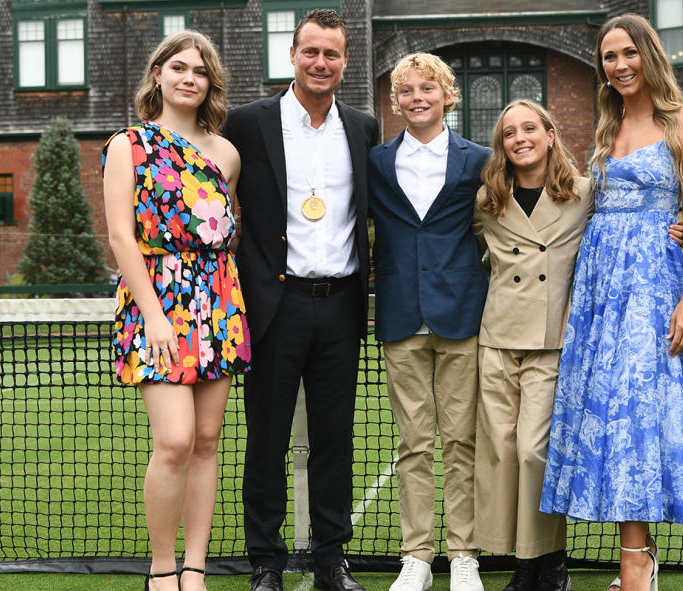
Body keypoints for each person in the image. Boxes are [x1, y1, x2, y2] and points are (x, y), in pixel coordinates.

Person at [539, 14, 683, 591]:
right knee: (611, 414)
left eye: (627, 54)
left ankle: (636, 561)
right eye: (609, 57)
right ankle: (635, 555)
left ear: (649, 54)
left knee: (642, 410)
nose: (618, 65)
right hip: (599, 292)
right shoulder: (605, 126)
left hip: (652, 288)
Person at [222, 9, 379, 591]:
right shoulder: (248, 123)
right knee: (265, 438)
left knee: (336, 436)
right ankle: (266, 562)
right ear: (292, 56)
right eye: (310, 52)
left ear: (344, 61)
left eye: (332, 54)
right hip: (273, 306)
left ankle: (329, 562)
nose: (321, 63)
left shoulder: (363, 128)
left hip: (341, 304)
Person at [103, 31, 250, 591]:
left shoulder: (226, 153)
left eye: (201, 71)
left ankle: (195, 569)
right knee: (174, 441)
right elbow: (121, 236)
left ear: (211, 83)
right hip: (155, 305)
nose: (190, 78)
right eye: (179, 67)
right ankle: (161, 570)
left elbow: (225, 232)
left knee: (208, 440)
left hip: (217, 302)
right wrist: (157, 315)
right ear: (158, 74)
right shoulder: (128, 144)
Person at [368, 53, 490, 591]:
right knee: (413, 444)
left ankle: (464, 553)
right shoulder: (374, 163)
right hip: (399, 316)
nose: (417, 98)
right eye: (407, 91)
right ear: (396, 102)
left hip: (463, 314)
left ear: (447, 96)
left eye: (428, 89)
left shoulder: (480, 159)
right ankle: (416, 556)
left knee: (462, 442)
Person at [472, 100, 593, 591]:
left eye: (529, 129)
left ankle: (552, 560)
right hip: (498, 336)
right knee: (500, 451)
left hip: (550, 340)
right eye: (508, 133)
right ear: (501, 145)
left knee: (533, 450)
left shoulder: (584, 193)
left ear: (549, 134)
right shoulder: (487, 199)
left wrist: (677, 227)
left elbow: (624, 226)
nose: (519, 138)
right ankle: (524, 563)